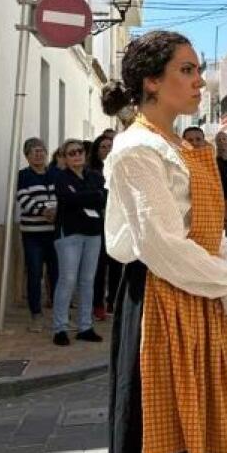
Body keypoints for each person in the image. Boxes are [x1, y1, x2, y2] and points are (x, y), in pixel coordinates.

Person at [100, 30, 227, 453]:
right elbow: (162, 245)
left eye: (198, 70)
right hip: (163, 300)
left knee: (210, 423)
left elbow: (204, 233)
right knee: (160, 432)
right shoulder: (137, 150)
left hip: (198, 295)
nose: (199, 80)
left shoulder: (179, 145)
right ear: (152, 82)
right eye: (187, 71)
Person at [51, 140, 106, 346]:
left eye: (80, 151)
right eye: (71, 153)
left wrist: (86, 196)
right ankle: (60, 328)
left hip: (93, 233)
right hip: (70, 234)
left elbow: (103, 197)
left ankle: (85, 326)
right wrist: (91, 196)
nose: (77, 155)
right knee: (68, 280)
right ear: (64, 158)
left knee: (88, 281)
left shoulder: (94, 176)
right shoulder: (61, 178)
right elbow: (68, 199)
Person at [16, 137, 59, 329]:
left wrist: (56, 212)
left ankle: (59, 314)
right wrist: (43, 211)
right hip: (33, 233)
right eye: (35, 151)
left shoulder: (54, 174)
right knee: (34, 273)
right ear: (27, 156)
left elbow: (61, 195)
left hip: (54, 232)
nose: (40, 154)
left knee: (56, 273)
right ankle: (36, 313)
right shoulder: (24, 175)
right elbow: (23, 198)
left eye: (42, 150)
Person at [89, 132, 123, 322]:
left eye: (111, 147)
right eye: (103, 147)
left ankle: (113, 301)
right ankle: (98, 303)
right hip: (98, 224)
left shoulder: (123, 170)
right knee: (99, 267)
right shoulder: (91, 172)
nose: (108, 150)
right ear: (96, 151)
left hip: (118, 224)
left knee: (117, 264)